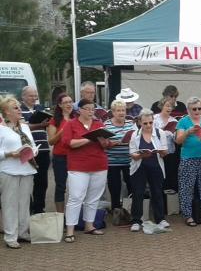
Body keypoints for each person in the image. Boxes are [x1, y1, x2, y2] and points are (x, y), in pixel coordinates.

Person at [62, 99, 110, 243]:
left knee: (94, 197)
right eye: (88, 109)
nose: (91, 112)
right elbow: (69, 143)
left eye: (92, 109)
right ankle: (70, 230)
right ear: (80, 110)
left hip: (99, 165)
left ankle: (89, 225)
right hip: (78, 167)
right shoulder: (71, 124)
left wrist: (104, 142)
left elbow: (106, 144)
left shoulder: (98, 124)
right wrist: (89, 139)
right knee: (75, 197)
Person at [0, 95, 38, 249]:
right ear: (7, 112)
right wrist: (11, 154)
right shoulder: (1, 130)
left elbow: (33, 145)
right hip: (9, 170)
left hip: (27, 169)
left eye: (18, 107)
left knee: (24, 203)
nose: (19, 110)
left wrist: (34, 151)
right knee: (10, 204)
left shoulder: (25, 127)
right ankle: (10, 236)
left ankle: (23, 232)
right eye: (15, 108)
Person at [175, 97, 201, 227]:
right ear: (188, 110)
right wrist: (188, 132)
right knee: (187, 186)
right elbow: (178, 141)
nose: (197, 111)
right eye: (194, 109)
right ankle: (188, 215)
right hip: (189, 158)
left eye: (200, 108)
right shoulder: (183, 121)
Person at [129, 109, 170, 232]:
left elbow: (165, 152)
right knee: (138, 193)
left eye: (150, 123)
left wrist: (161, 151)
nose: (148, 126)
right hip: (139, 167)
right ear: (140, 122)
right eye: (145, 123)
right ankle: (136, 220)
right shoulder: (135, 134)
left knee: (157, 192)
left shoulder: (160, 133)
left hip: (156, 166)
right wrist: (141, 155)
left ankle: (160, 219)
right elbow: (132, 154)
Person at [103, 100, 137, 224]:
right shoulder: (106, 125)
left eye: (123, 110)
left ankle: (131, 210)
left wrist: (131, 141)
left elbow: (136, 138)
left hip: (128, 160)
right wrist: (110, 144)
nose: (121, 113)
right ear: (113, 112)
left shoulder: (131, 124)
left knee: (131, 185)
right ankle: (116, 213)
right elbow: (103, 143)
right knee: (114, 187)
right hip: (112, 162)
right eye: (118, 110)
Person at [20, 86, 50, 214]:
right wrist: (39, 125)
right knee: (26, 180)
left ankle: (39, 209)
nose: (34, 98)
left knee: (42, 181)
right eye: (31, 95)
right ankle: (29, 208)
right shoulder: (19, 110)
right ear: (23, 97)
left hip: (43, 149)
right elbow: (21, 127)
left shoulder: (41, 108)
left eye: (35, 95)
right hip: (28, 150)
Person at [46, 93, 74, 213]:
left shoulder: (76, 118)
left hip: (75, 156)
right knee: (60, 187)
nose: (69, 104)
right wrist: (62, 131)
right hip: (60, 158)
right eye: (66, 102)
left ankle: (74, 215)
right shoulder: (55, 120)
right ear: (60, 105)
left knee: (76, 188)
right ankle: (60, 216)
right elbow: (51, 141)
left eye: (70, 102)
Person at [153, 97, 179, 192]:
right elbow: (151, 135)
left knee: (169, 176)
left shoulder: (174, 121)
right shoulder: (154, 119)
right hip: (158, 152)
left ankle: (169, 203)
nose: (169, 108)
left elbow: (176, 139)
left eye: (171, 106)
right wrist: (162, 130)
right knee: (159, 177)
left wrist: (175, 133)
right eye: (167, 106)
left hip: (170, 152)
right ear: (161, 106)